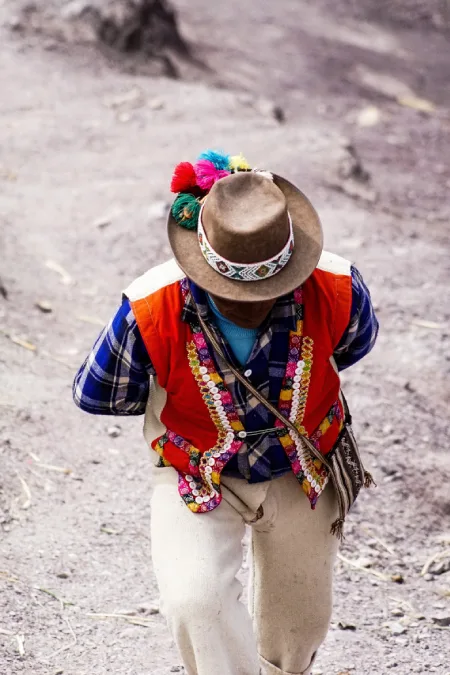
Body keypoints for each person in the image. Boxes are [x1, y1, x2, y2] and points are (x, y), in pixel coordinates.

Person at [73, 150, 378, 675]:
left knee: (300, 626)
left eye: (262, 291)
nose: (249, 302)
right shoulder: (150, 305)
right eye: (232, 292)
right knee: (195, 601)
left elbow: (351, 346)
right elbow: (97, 390)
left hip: (303, 466)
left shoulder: (339, 286)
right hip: (196, 467)